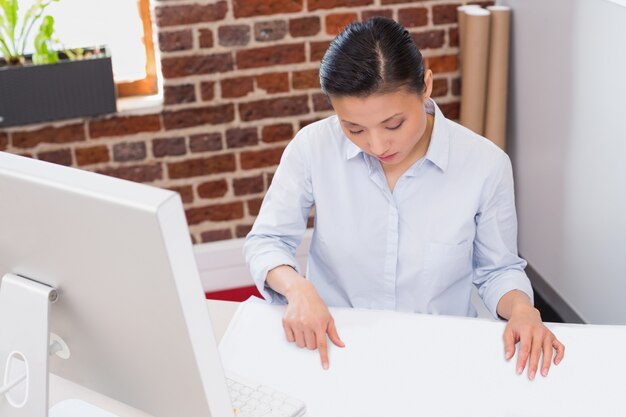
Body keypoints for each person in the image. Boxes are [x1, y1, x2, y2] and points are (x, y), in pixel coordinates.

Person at [243, 17, 564, 380]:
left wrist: (522, 309)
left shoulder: (485, 164)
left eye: (394, 124)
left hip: (438, 355)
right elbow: (267, 241)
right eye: (355, 129)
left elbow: (498, 270)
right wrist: (297, 288)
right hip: (335, 345)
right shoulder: (313, 147)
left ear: (426, 86)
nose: (377, 145)